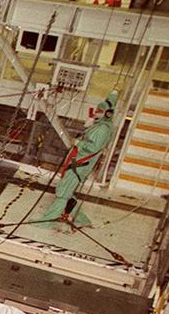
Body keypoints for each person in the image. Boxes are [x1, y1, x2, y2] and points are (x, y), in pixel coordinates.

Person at [37, 92, 118, 229]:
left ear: (107, 113)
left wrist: (78, 143)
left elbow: (93, 148)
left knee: (63, 192)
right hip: (78, 162)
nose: (96, 113)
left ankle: (47, 221)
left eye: (99, 111)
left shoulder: (103, 129)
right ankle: (82, 220)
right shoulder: (100, 125)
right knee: (67, 192)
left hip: (80, 164)